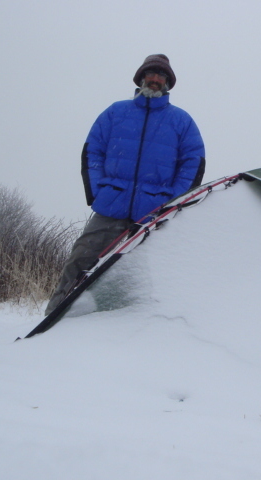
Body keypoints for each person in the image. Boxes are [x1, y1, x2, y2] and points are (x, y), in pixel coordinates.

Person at [45, 54, 205, 315]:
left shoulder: (181, 122)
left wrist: (171, 203)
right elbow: (92, 153)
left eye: (161, 76)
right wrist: (99, 193)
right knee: (79, 262)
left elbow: (193, 165)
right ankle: (52, 319)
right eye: (150, 75)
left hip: (154, 214)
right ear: (141, 78)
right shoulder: (115, 113)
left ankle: (130, 329)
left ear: (168, 83)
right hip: (110, 208)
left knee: (143, 277)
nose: (155, 80)